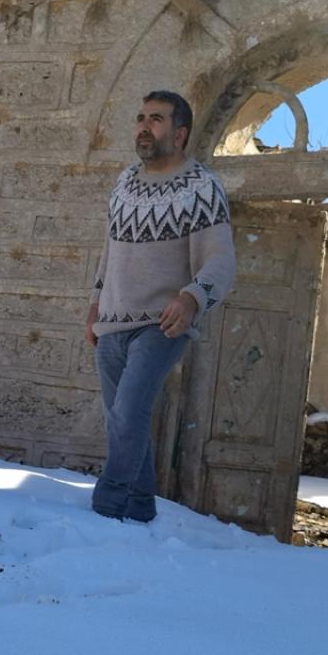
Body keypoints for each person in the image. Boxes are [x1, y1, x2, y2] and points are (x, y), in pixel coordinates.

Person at [85, 90, 237, 523]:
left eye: (155, 119)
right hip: (111, 322)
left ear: (180, 132)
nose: (143, 127)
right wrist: (95, 304)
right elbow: (109, 252)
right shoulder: (124, 182)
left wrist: (191, 297)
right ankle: (141, 509)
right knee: (121, 420)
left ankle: (106, 506)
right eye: (140, 118)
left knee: (128, 413)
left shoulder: (201, 185)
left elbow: (221, 259)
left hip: (161, 325)